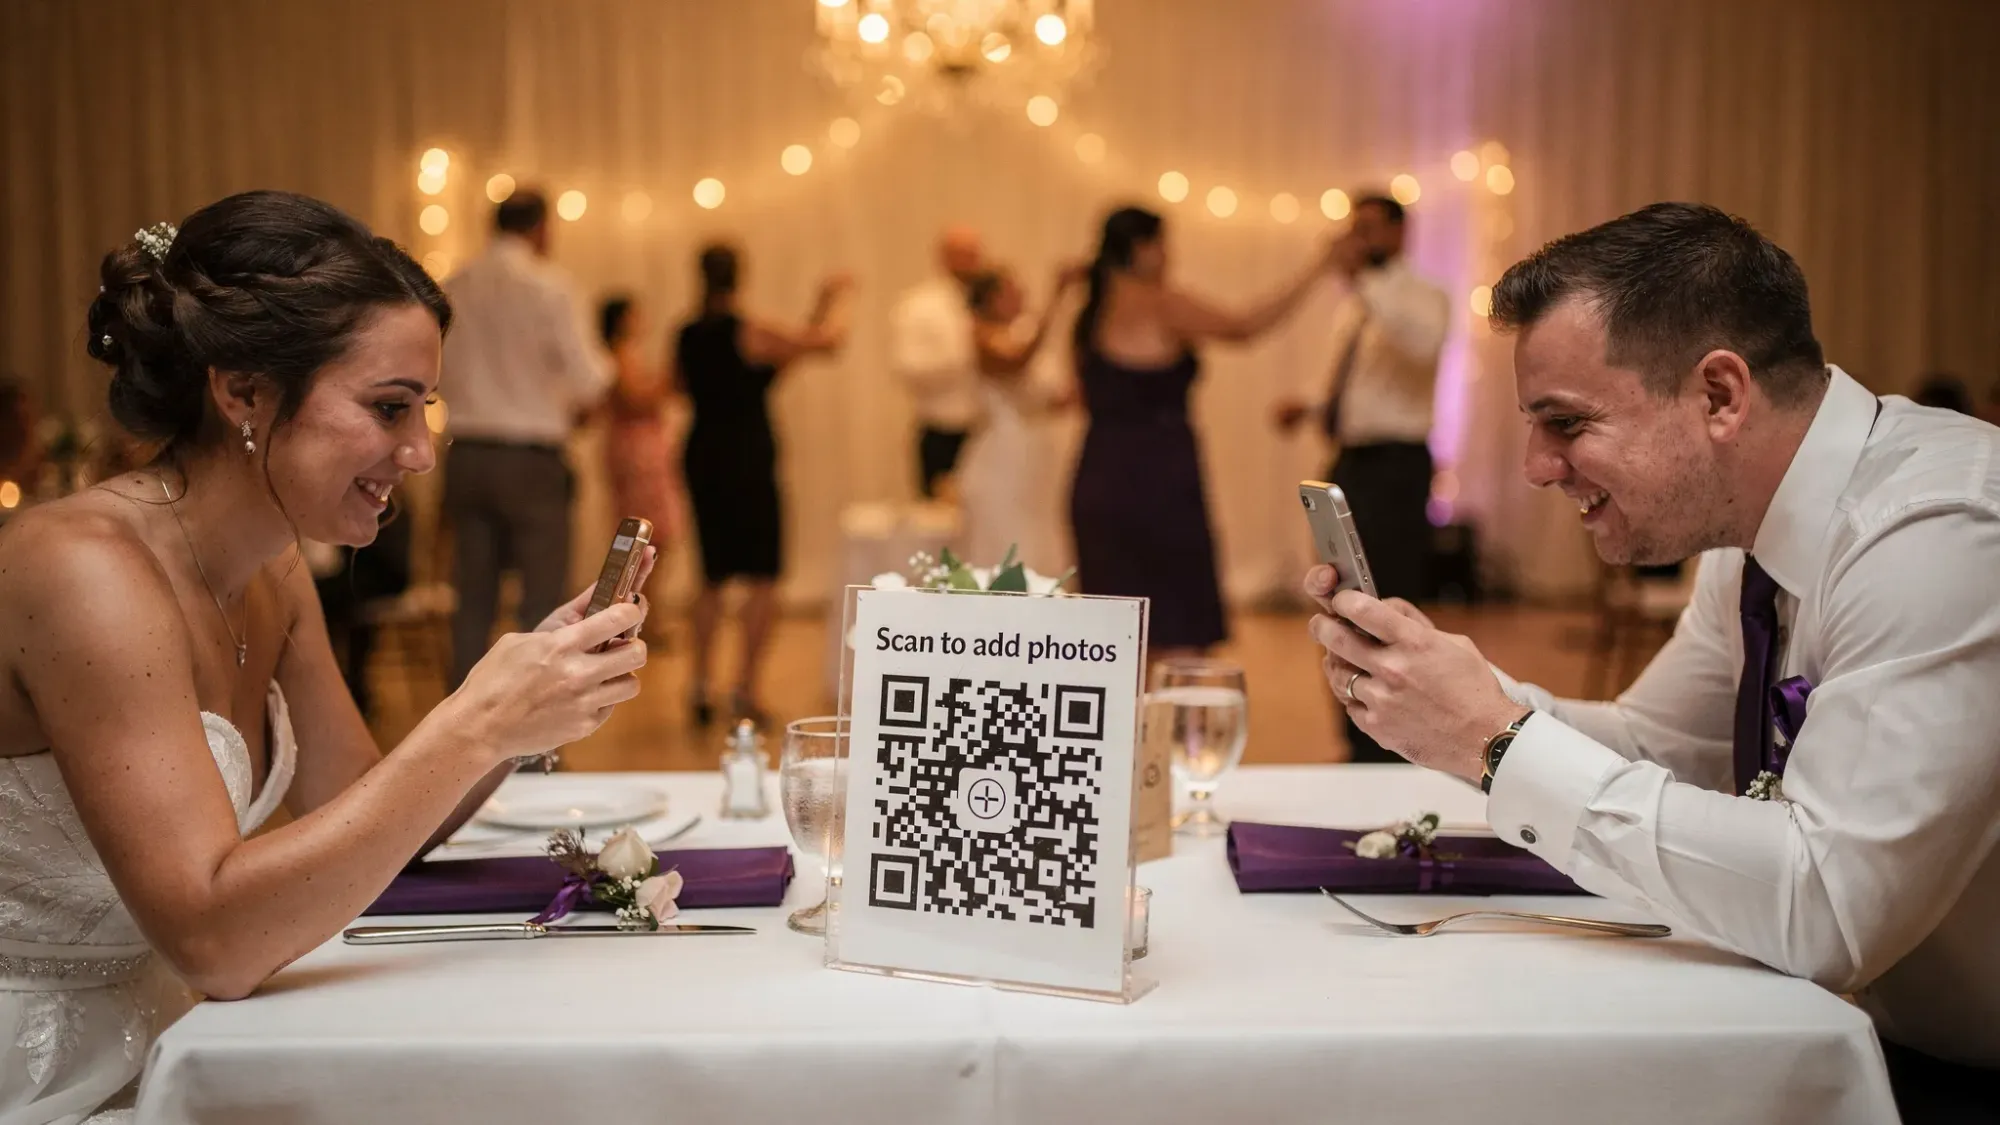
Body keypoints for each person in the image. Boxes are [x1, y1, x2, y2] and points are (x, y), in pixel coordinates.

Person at [1305, 202, 2000, 1120]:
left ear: (1719, 394)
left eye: (1565, 422)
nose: (1535, 467)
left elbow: (1830, 910)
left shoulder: (1942, 531)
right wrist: (1453, 698)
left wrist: (1494, 739)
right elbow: (1657, 742)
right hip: (1852, 1033)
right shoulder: (1747, 536)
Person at [0, 191, 650, 1122]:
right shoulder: (80, 572)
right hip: (50, 1076)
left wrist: (524, 708)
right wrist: (474, 720)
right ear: (243, 391)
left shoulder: (273, 574)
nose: (422, 452)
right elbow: (214, 941)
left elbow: (377, 818)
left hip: (192, 1044)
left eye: (423, 409)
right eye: (389, 408)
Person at [1069, 206, 1339, 659]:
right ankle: (1179, 727)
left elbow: (1080, 392)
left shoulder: (1088, 311)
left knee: (1114, 633)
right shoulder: (1163, 303)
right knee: (1179, 630)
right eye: (1161, 243)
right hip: (1161, 477)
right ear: (1141, 249)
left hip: (1098, 475)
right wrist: (1316, 268)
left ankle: (1123, 726)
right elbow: (1244, 326)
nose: (1168, 254)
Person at [1273, 193, 1449, 763]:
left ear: (1401, 233)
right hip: (1348, 462)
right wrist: (1312, 407)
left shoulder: (1423, 296)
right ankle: (1355, 735)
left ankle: (1396, 739)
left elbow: (1419, 345)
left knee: (1390, 600)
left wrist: (1361, 283)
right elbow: (1362, 386)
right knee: (1339, 597)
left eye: (1370, 228)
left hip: (1396, 465)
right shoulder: (1354, 306)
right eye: (1354, 228)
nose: (1359, 239)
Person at [438, 189, 612, 690]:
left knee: (471, 601)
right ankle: (537, 744)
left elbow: (437, 377)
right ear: (540, 227)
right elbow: (591, 379)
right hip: (531, 458)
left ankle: (459, 733)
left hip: (467, 453)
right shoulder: (549, 285)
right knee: (543, 601)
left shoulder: (454, 285)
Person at [676, 244, 851, 727]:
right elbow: (824, 343)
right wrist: (836, 299)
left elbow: (776, 363)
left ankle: (698, 686)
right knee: (763, 577)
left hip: (702, 455)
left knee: (710, 577)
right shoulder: (750, 330)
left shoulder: (687, 334)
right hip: (746, 460)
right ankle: (745, 688)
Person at [953, 263, 1085, 571]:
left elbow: (1050, 401)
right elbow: (1014, 362)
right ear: (990, 299)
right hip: (1001, 455)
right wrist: (1057, 299)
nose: (1022, 297)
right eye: (1012, 292)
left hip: (1035, 453)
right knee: (1004, 538)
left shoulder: (1019, 336)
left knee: (1038, 534)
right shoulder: (980, 335)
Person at [598, 295, 684, 647]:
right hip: (637, 454)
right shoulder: (618, 355)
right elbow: (637, 398)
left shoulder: (623, 355)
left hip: (641, 450)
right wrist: (668, 379)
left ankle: (647, 613)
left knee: (653, 536)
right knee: (645, 536)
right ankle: (634, 617)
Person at [891, 225, 984, 498]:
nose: (971, 262)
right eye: (962, 254)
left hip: (987, 430)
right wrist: (966, 355)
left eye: (974, 254)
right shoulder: (920, 306)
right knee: (941, 525)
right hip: (943, 427)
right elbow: (907, 367)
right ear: (944, 257)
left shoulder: (991, 301)